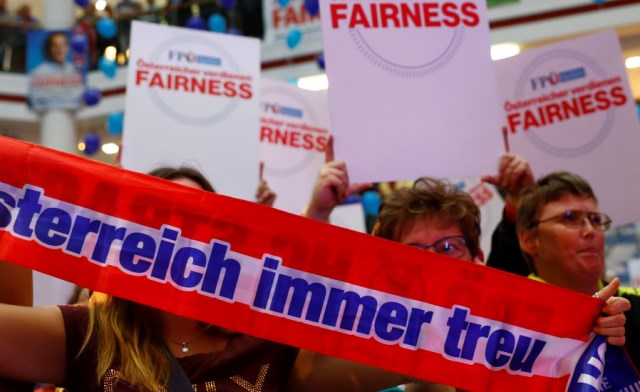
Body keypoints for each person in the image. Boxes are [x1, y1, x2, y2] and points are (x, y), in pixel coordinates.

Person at [0, 166, 425, 391]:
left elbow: (418, 347)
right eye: (166, 219)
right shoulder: (88, 334)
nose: (183, 237)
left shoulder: (269, 341)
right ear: (132, 242)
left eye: (202, 219)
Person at [303, 151, 629, 391]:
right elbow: (300, 377)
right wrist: (316, 216)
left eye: (448, 248)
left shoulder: (520, 351)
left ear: (478, 260)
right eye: (412, 251)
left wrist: (590, 330)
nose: (432, 262)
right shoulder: (356, 362)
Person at [517, 170, 640, 370]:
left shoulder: (632, 307)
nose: (590, 231)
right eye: (569, 217)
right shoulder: (506, 318)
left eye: (595, 219)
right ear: (529, 240)